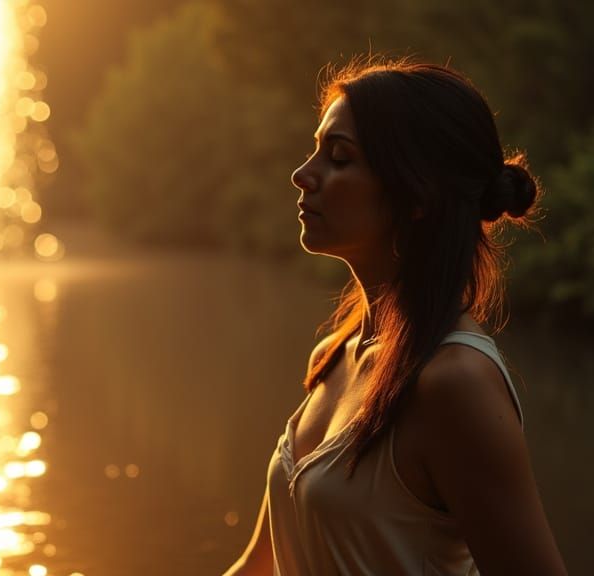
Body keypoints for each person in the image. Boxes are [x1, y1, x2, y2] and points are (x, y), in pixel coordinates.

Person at [222, 57, 568, 575]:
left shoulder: (455, 383)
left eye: (338, 157)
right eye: (316, 150)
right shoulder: (334, 354)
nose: (302, 175)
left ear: (418, 194)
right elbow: (260, 566)